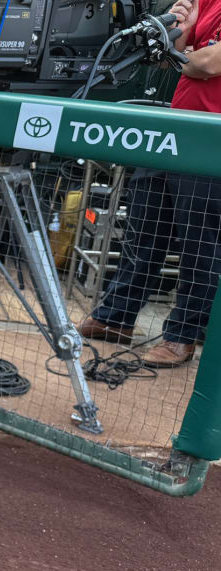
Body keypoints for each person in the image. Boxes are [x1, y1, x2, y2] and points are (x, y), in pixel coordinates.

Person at [77, 0, 221, 368]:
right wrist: (182, 42)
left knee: (200, 245)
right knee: (144, 227)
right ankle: (116, 316)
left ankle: (182, 336)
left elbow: (211, 63)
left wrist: (188, 56)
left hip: (213, 141)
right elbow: (163, 55)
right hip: (176, 130)